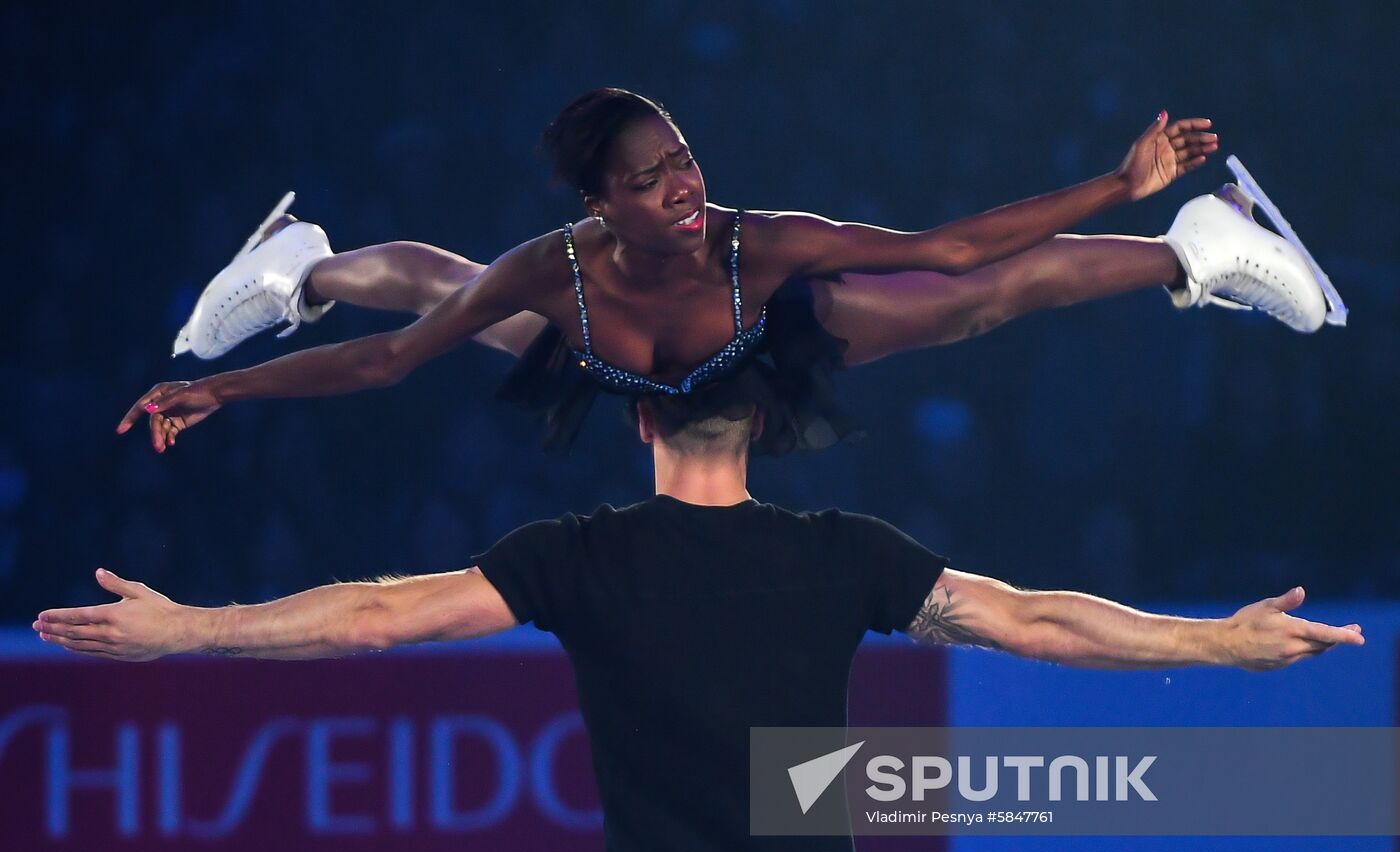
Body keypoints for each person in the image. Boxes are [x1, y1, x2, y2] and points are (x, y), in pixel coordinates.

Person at [46, 379, 1363, 852]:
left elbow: (375, 615)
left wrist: (187, 629)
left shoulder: (580, 556)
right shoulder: (842, 553)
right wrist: (1222, 643)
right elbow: (1036, 620)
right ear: (762, 429)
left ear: (639, 426)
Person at [120, 88, 1320, 453]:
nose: (682, 187)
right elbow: (387, 364)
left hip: (757, 334)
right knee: (444, 291)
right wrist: (222, 388)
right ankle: (303, 268)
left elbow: (951, 246)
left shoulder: (759, 241)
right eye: (649, 180)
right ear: (600, 206)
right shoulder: (553, 268)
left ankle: (1191, 247)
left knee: (968, 303)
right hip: (606, 345)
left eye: (684, 159)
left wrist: (1119, 184)